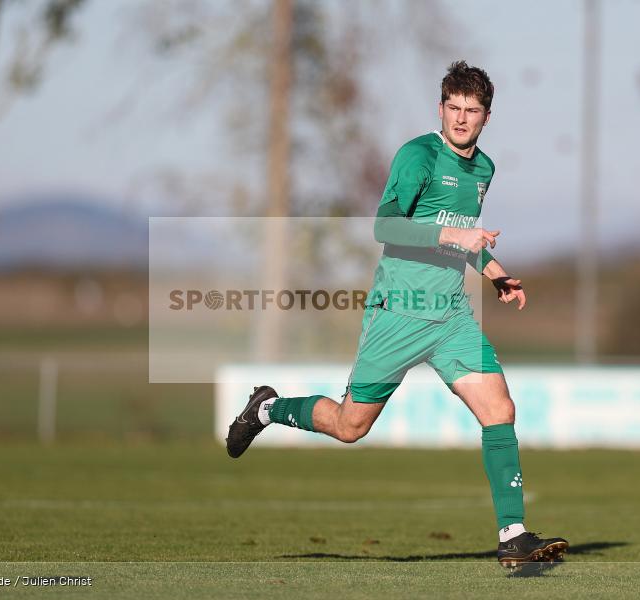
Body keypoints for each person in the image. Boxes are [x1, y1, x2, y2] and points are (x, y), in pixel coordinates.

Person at [226, 61, 568, 568]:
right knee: (350, 426)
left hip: (450, 317)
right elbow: (385, 227)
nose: (461, 118)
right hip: (399, 314)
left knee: (500, 410)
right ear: (441, 108)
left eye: (472, 110)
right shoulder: (418, 156)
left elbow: (461, 237)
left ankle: (513, 536)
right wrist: (455, 235)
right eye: (453, 107)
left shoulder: (484, 169)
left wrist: (493, 270)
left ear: (486, 117)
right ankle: (267, 409)